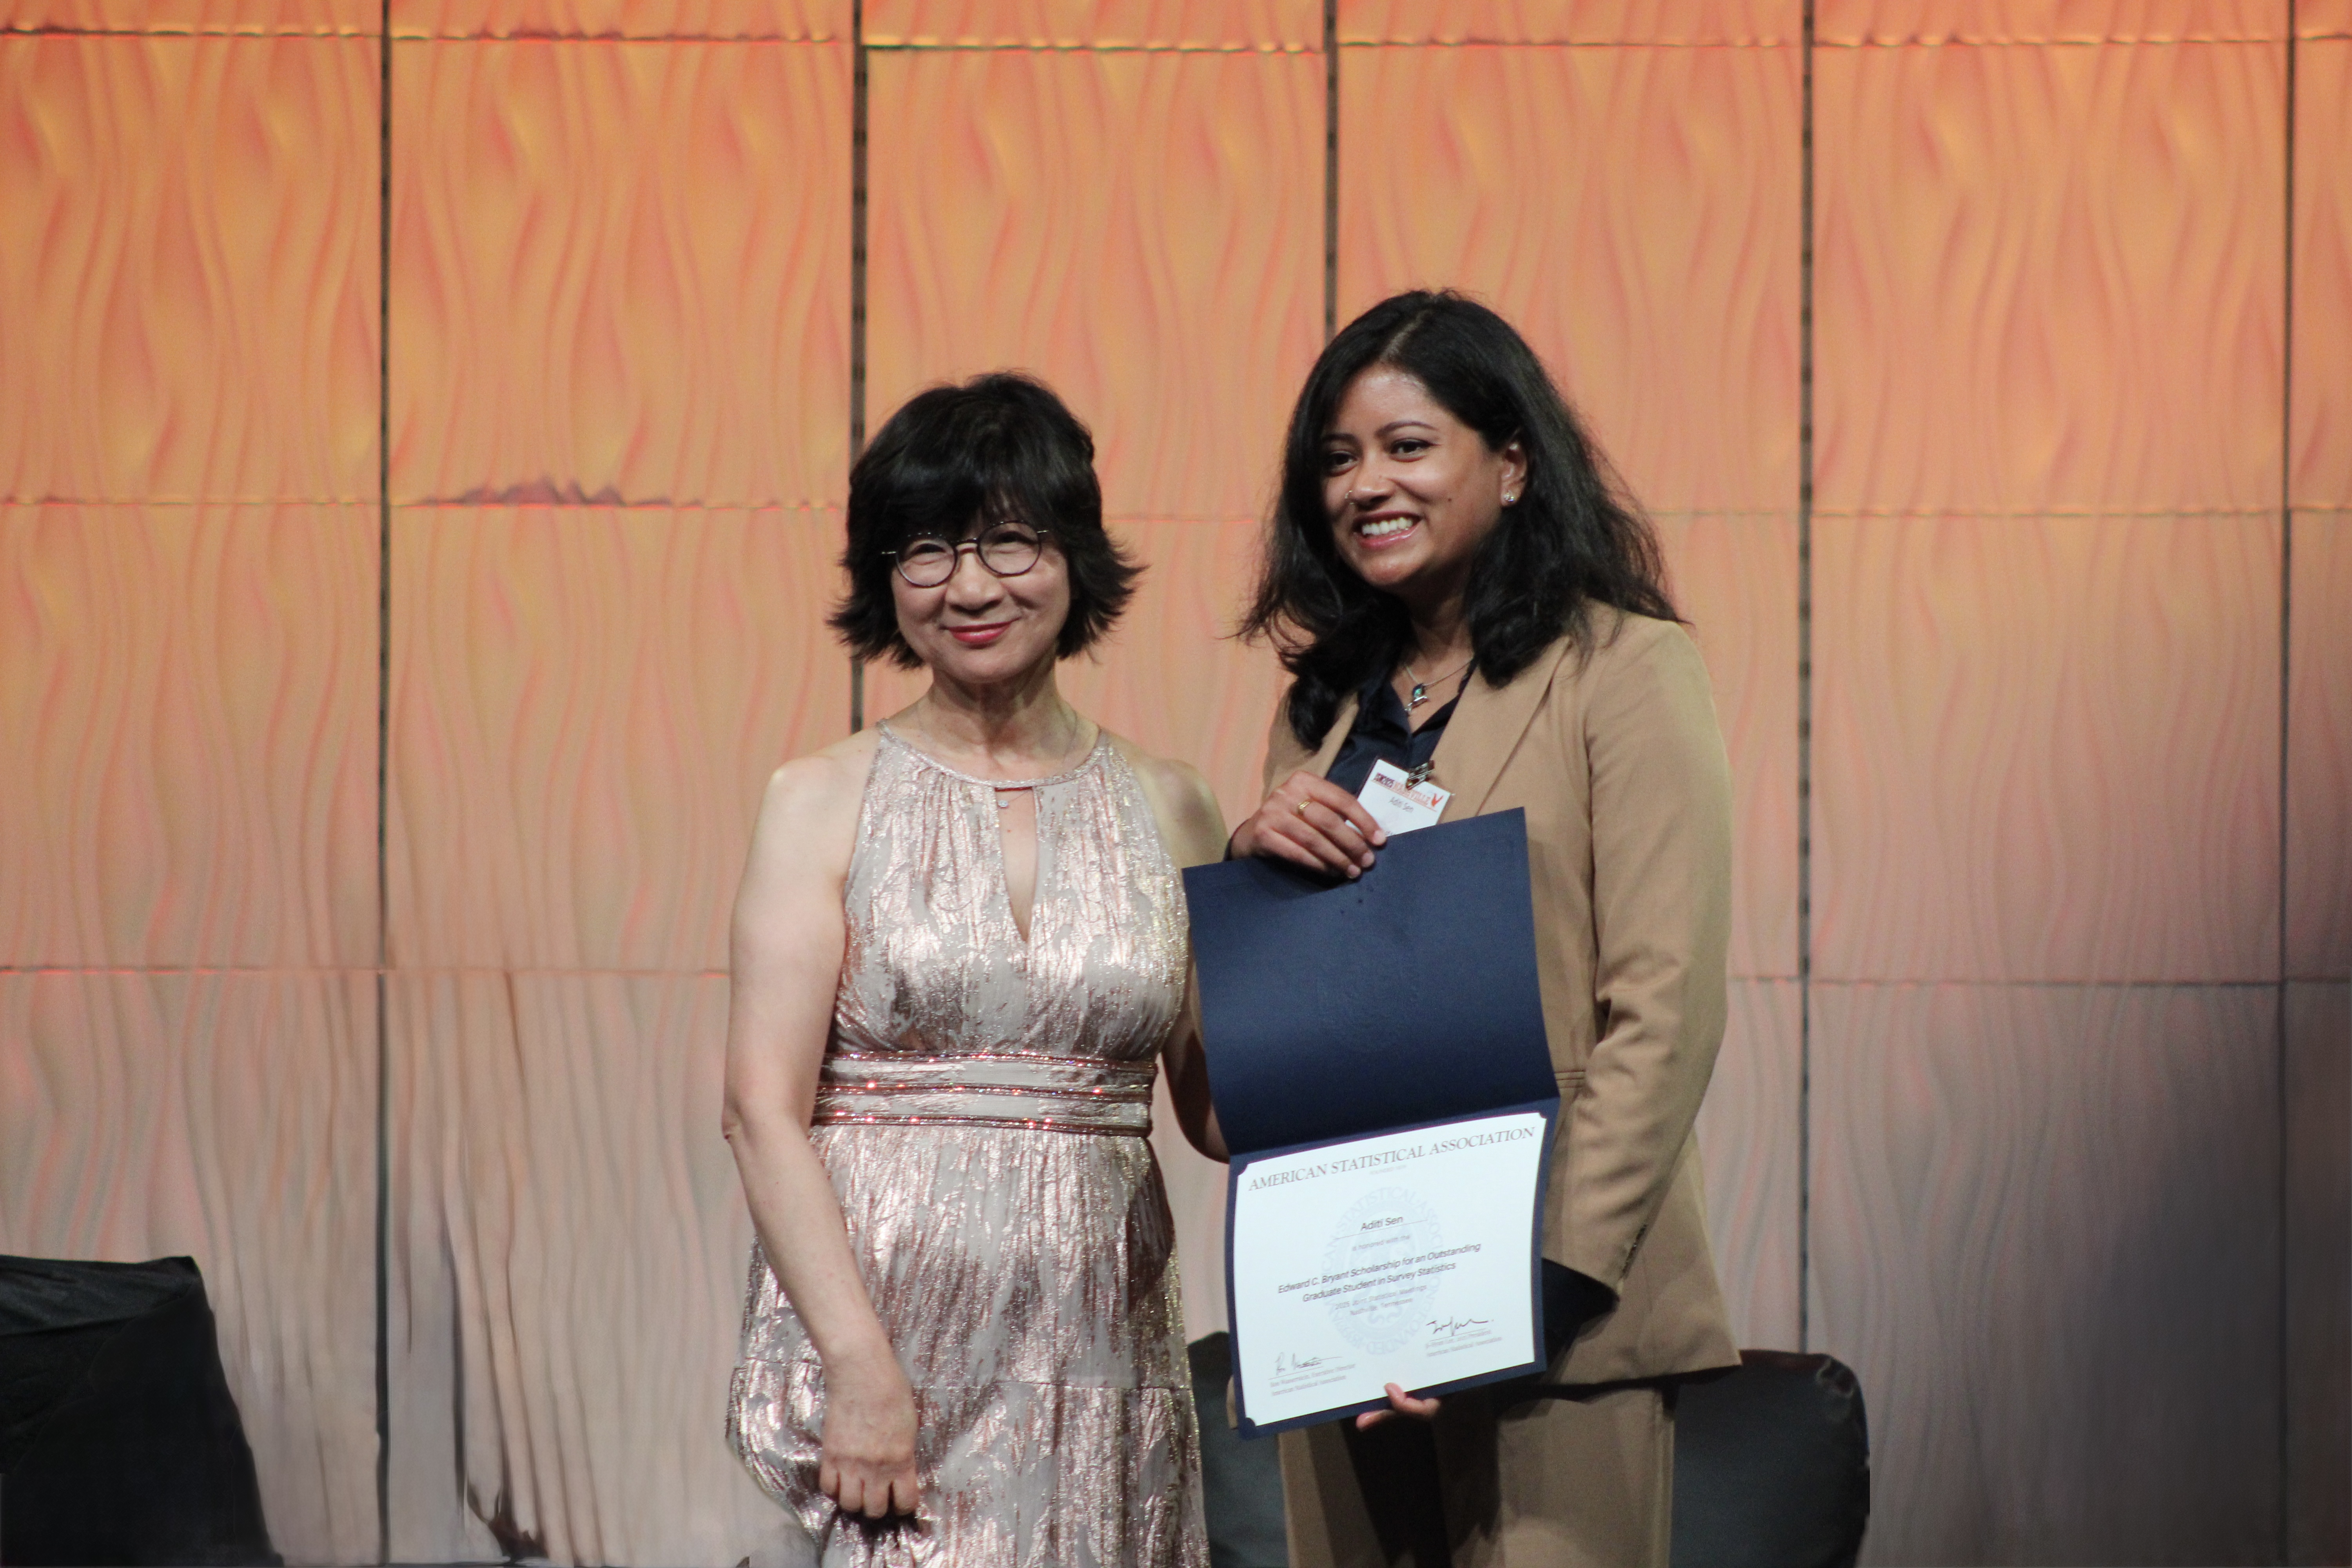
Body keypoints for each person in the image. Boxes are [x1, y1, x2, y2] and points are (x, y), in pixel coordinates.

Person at [1230, 292, 1739, 1567]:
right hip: (1348, 1323)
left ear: (1512, 464)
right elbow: (1298, 1029)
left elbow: (1663, 1010)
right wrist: (1250, 870)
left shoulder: (1625, 670)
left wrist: (1536, 1285)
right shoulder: (1322, 711)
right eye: (1338, 459)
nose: (1367, 485)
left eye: (1408, 446)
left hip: (1556, 1319)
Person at [723, 373, 1227, 1566]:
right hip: (896, 1354)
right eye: (927, 551)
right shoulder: (819, 799)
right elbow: (759, 1111)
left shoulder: (1173, 804)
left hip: (1105, 1352)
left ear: (1074, 556)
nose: (970, 587)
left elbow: (1219, 1113)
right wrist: (859, 1366)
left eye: (1010, 541)